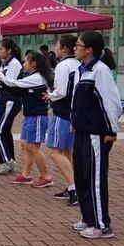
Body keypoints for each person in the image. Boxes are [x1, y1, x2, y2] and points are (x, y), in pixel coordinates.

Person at [70, 32, 122, 239]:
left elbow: (111, 103)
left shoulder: (100, 71)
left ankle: (102, 224)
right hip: (82, 131)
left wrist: (111, 130)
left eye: (78, 45)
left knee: (95, 178)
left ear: (89, 49)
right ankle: (88, 217)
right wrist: (75, 122)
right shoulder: (83, 70)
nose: (75, 48)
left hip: (96, 134)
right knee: (81, 176)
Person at [0, 52, 54, 188]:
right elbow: (16, 91)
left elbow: (14, 84)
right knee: (25, 145)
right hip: (30, 115)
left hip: (37, 116)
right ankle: (26, 175)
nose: (23, 64)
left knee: (33, 147)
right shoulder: (32, 77)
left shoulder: (37, 78)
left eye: (25, 61)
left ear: (33, 64)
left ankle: (46, 176)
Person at [46, 35, 81, 206]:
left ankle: (75, 188)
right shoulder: (79, 64)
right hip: (74, 111)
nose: (55, 47)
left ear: (65, 48)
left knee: (54, 151)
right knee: (68, 151)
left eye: (58, 45)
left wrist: (49, 95)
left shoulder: (63, 66)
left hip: (63, 112)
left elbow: (61, 91)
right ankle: (76, 186)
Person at [0, 39, 23, 175]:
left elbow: (10, 84)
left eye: (1, 48)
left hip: (10, 100)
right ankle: (9, 159)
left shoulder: (14, 64)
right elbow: (3, 83)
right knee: (4, 130)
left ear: (9, 50)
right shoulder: (5, 63)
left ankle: (6, 160)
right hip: (5, 100)